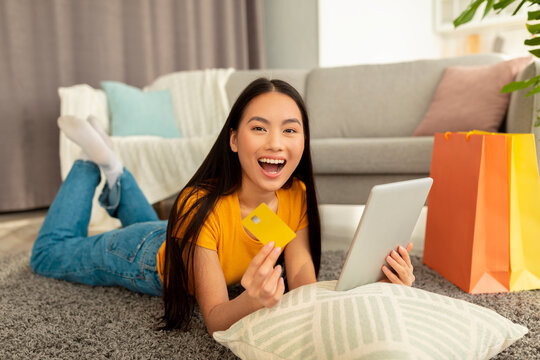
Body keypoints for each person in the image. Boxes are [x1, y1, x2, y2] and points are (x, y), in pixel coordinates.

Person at [30, 78, 415, 335]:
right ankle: (90, 163)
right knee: (49, 254)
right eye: (259, 128)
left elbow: (301, 275)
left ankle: (116, 170)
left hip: (182, 234)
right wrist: (251, 300)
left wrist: (374, 287)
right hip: (144, 256)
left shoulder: (293, 192)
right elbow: (215, 319)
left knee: (159, 223)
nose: (276, 143)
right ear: (233, 140)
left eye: (290, 129)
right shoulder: (204, 206)